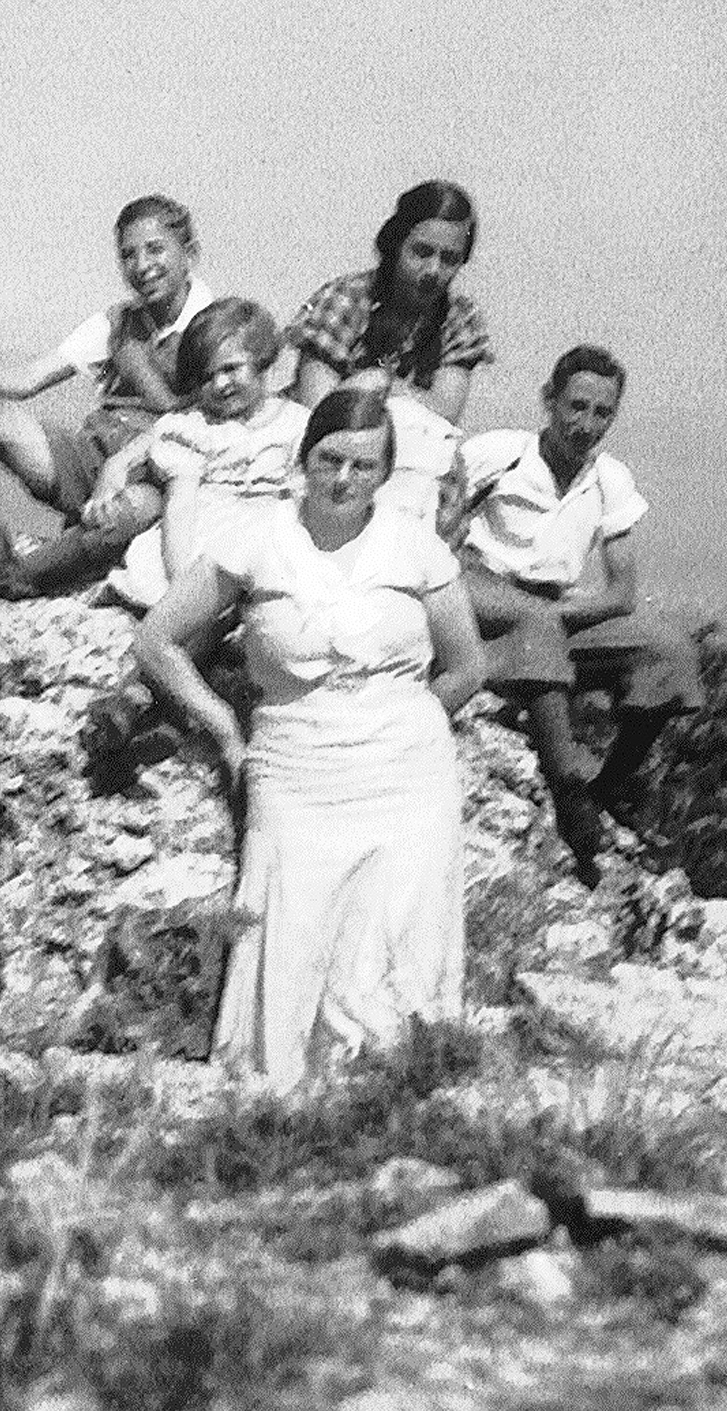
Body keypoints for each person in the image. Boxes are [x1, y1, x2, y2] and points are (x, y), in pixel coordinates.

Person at [135, 389, 486, 1093]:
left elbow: (468, 665)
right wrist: (226, 730)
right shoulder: (255, 539)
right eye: (329, 459)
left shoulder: (412, 545)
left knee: (391, 946)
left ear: (384, 474)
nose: (344, 479)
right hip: (294, 768)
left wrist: (401, 722)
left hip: (404, 776)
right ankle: (280, 1107)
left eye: (363, 465)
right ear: (304, 458)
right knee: (291, 938)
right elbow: (157, 640)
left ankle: (382, 1101)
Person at [456, 345, 703, 883]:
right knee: (536, 621)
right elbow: (437, 530)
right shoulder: (499, 453)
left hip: (551, 609)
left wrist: (552, 610)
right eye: (576, 406)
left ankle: (610, 784)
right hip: (480, 596)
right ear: (549, 400)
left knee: (670, 650)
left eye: (602, 413)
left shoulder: (610, 479)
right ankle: (567, 781)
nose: (586, 424)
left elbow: (619, 594)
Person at [0, 196, 216, 621]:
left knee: (129, 513)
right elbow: (32, 377)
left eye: (155, 249)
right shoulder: (119, 322)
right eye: (128, 255)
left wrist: (126, 462)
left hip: (155, 474)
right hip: (93, 456)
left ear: (190, 254)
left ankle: (17, 581)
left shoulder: (213, 326)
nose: (142, 265)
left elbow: (203, 419)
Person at [287, 180, 493, 528]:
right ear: (395, 244)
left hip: (407, 468)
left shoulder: (459, 318)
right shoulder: (346, 300)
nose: (433, 270)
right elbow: (315, 410)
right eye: (422, 252)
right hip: (332, 461)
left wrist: (378, 381)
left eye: (449, 259)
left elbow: (445, 413)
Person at [96, 295, 310, 611]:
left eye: (231, 369)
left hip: (272, 538)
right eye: (207, 377)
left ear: (262, 360)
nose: (220, 384)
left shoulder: (295, 422)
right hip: (202, 540)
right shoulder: (196, 427)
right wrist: (181, 583)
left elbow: (304, 493)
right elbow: (180, 505)